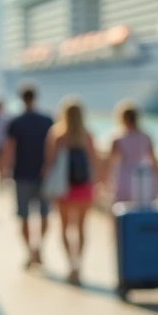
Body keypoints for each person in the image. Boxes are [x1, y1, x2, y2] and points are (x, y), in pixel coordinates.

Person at [0, 84, 54, 270]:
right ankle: (38, 247)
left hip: (21, 174)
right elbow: (54, 149)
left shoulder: (16, 122)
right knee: (45, 214)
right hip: (44, 175)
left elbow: (8, 149)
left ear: (22, 98)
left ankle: (30, 252)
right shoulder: (47, 120)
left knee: (23, 216)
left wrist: (2, 172)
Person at [45, 98, 98, 285]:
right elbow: (94, 161)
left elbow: (50, 162)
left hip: (64, 188)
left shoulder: (58, 134)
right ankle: (79, 264)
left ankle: (70, 264)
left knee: (65, 227)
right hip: (83, 188)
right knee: (82, 228)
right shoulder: (87, 135)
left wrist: (45, 183)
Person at [103, 100, 158, 206]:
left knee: (119, 212)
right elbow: (154, 161)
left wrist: (105, 181)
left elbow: (110, 162)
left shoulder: (117, 138)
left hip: (123, 179)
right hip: (143, 179)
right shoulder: (146, 136)